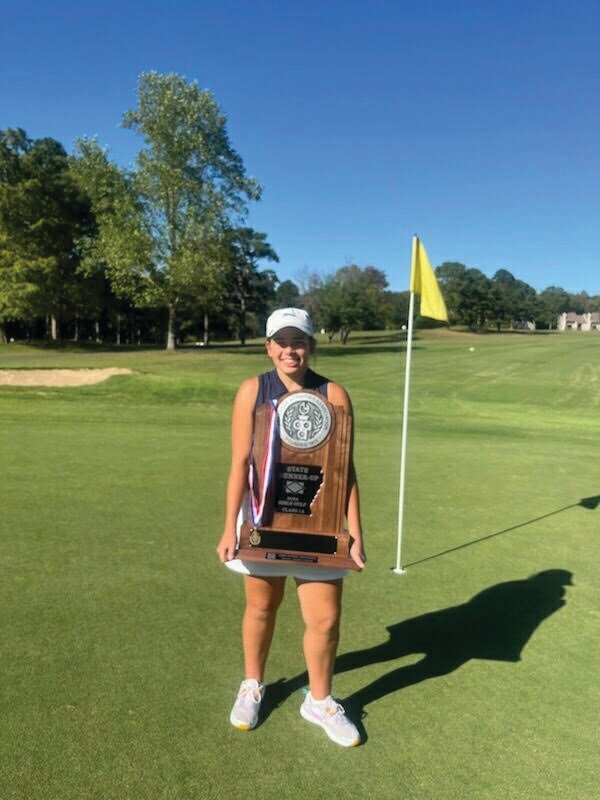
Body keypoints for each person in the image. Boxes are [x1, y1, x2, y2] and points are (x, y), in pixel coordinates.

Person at [216, 307, 366, 747]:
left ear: (311, 346)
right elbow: (239, 463)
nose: (289, 349)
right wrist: (229, 527)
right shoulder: (252, 390)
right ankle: (252, 684)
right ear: (268, 347)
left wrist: (355, 532)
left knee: (325, 620)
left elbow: (345, 470)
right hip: (263, 522)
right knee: (262, 608)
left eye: (297, 341)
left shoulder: (334, 393)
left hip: (319, 526)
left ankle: (318, 701)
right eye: (280, 341)